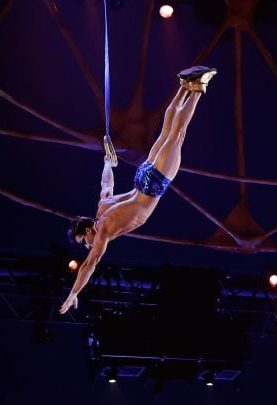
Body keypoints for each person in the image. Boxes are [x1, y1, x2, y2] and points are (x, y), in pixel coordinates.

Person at [60, 66, 217, 314]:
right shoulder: (102, 208)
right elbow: (106, 185)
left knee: (177, 134)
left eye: (84, 240)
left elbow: (89, 265)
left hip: (151, 186)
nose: (88, 245)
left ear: (89, 230)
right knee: (167, 132)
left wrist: (73, 294)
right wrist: (107, 163)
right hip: (140, 176)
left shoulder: (104, 230)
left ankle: (196, 88)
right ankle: (184, 86)